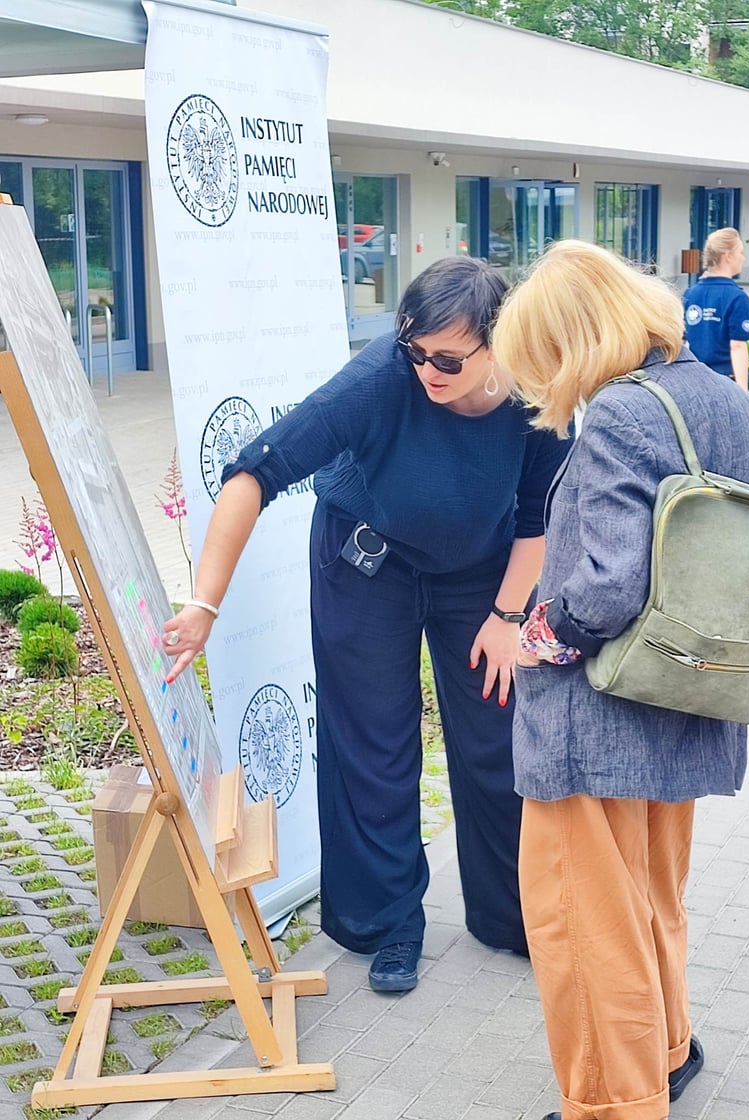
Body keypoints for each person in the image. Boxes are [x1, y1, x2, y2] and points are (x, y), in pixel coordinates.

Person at [163, 256, 573, 994]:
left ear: (498, 345)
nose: (426, 371)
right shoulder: (383, 376)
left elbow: (538, 516)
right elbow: (255, 471)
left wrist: (509, 616)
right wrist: (204, 603)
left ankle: (512, 916)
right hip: (366, 564)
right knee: (376, 745)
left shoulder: (538, 396)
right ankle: (388, 924)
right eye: (414, 350)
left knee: (496, 738)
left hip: (481, 574)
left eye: (447, 359)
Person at [491, 240, 749, 1120]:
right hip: (690, 694)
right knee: (653, 899)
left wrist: (538, 636)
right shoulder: (728, 402)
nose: (542, 384)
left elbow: (610, 580)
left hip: (598, 717)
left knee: (582, 922)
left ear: (572, 340)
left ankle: (614, 1102)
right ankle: (663, 1051)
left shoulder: (623, 412)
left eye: (540, 360)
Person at [683, 227, 749, 392]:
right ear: (728, 256)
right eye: (741, 252)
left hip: (696, 379)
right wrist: (743, 390)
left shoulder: (690, 294)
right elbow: (737, 346)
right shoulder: (737, 298)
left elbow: (680, 340)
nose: (743, 258)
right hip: (725, 381)